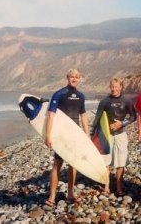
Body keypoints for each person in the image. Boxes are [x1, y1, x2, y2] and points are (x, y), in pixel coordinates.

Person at [45, 69, 89, 207]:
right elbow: (50, 115)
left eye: (77, 77)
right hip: (61, 134)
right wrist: (48, 135)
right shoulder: (59, 94)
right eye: (72, 76)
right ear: (67, 77)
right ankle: (52, 196)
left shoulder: (81, 96)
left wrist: (86, 134)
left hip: (75, 135)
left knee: (73, 164)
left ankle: (70, 193)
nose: (74, 79)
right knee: (57, 163)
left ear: (80, 78)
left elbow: (83, 115)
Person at [92, 77, 136, 196]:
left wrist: (122, 123)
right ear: (110, 87)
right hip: (107, 135)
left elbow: (133, 117)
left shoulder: (127, 101)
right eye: (112, 87)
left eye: (116, 86)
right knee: (106, 161)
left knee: (120, 162)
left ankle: (119, 188)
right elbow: (97, 119)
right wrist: (92, 135)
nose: (114, 89)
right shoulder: (104, 102)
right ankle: (106, 186)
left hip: (121, 134)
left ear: (121, 87)